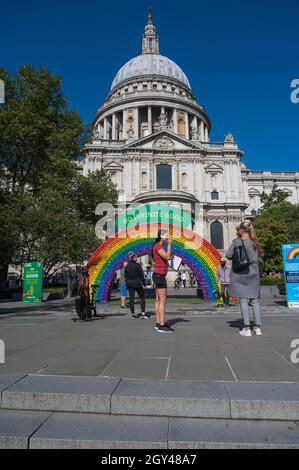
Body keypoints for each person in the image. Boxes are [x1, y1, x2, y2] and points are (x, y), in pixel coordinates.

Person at [226, 221, 264, 337]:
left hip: (241, 274)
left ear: (242, 230)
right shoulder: (255, 243)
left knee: (243, 300)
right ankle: (258, 328)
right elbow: (260, 258)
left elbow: (228, 255)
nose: (238, 231)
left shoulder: (236, 242)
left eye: (238, 230)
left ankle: (247, 329)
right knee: (255, 300)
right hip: (254, 273)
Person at [152, 229, 174, 333]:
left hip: (158, 275)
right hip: (159, 275)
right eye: (166, 235)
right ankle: (162, 325)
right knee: (163, 300)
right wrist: (169, 245)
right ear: (161, 236)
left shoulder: (158, 246)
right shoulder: (158, 246)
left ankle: (158, 323)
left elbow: (166, 257)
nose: (168, 237)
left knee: (158, 300)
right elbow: (167, 257)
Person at [124, 252, 147, 319]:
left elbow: (126, 275)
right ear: (133, 258)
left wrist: (127, 283)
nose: (137, 258)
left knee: (131, 298)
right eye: (136, 257)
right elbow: (141, 275)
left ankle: (133, 314)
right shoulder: (137, 265)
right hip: (136, 283)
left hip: (130, 283)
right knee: (142, 297)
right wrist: (144, 283)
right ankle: (143, 313)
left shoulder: (127, 266)